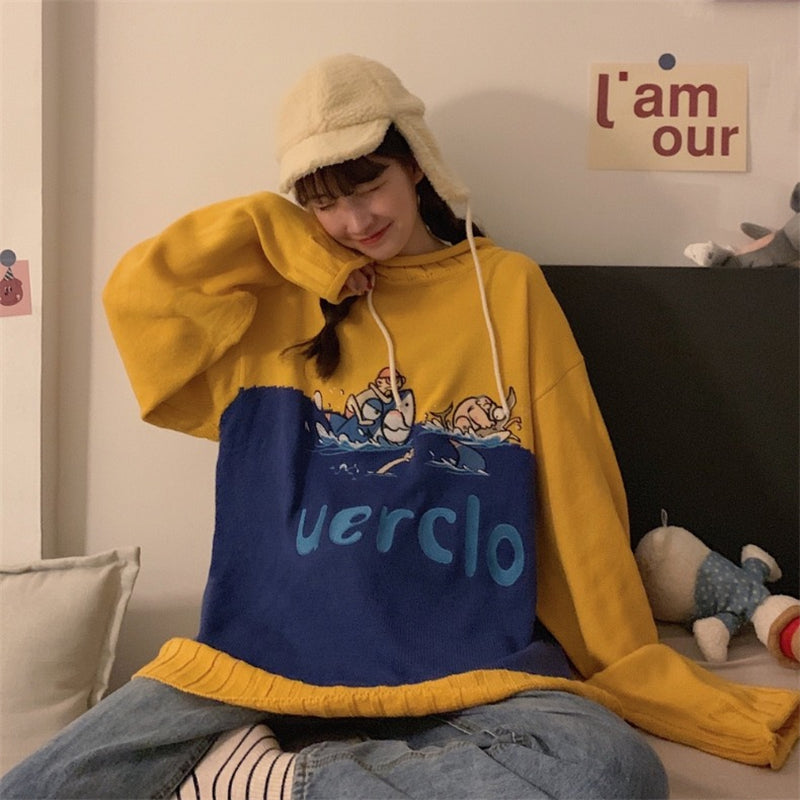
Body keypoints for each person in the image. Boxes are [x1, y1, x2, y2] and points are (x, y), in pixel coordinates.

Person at [2, 54, 797, 800]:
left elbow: (578, 487)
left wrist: (627, 659)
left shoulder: (507, 290)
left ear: (416, 163)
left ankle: (277, 780)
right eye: (321, 201)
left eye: (368, 185)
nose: (353, 220)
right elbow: (140, 300)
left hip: (469, 670)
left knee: (611, 771)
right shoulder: (276, 303)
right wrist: (282, 236)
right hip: (263, 660)